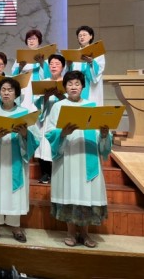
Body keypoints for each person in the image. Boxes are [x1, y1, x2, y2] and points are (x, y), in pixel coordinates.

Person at [45, 70, 112, 248]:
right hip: (67, 156)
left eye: (77, 84)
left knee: (87, 195)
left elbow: (100, 133)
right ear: (65, 87)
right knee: (71, 193)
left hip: (88, 156)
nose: (73, 87)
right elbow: (50, 132)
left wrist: (104, 135)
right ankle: (70, 232)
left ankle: (85, 233)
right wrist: (62, 133)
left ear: (83, 86)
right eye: (69, 84)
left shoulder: (92, 106)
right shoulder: (58, 106)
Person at [0, 78, 39, 243]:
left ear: (16, 93)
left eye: (10, 90)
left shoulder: (24, 113)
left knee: (16, 191)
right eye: (3, 89)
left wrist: (25, 134)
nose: (6, 93)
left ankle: (15, 226)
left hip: (17, 159)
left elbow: (36, 138)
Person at [34, 54, 66, 184]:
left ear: (63, 67)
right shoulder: (44, 82)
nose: (54, 66)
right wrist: (46, 97)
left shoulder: (67, 83)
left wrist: (60, 96)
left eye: (57, 64)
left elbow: (71, 102)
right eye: (51, 64)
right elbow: (37, 103)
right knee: (44, 144)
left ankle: (59, 173)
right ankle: (46, 173)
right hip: (47, 117)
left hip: (61, 118)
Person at [67, 26, 105, 105]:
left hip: (91, 88)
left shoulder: (98, 52)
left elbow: (99, 70)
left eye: (84, 35)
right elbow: (70, 74)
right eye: (80, 36)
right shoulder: (75, 54)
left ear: (91, 36)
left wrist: (91, 62)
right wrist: (69, 66)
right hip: (77, 87)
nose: (82, 37)